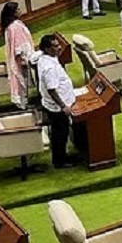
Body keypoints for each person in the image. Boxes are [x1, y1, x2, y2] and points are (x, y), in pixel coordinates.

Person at [37, 34, 77, 168]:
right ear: (47, 49)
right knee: (60, 134)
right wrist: (63, 106)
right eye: (55, 46)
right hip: (57, 107)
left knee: (59, 133)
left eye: (58, 44)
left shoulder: (44, 58)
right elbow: (52, 89)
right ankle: (60, 161)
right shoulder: (49, 68)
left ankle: (61, 157)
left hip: (54, 104)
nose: (59, 48)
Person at [1, 1, 33, 109]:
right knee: (20, 82)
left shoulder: (13, 25)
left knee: (21, 83)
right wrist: (24, 60)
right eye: (18, 9)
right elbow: (18, 47)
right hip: (21, 60)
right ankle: (23, 105)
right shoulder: (14, 27)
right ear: (14, 13)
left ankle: (24, 102)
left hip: (20, 59)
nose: (20, 11)